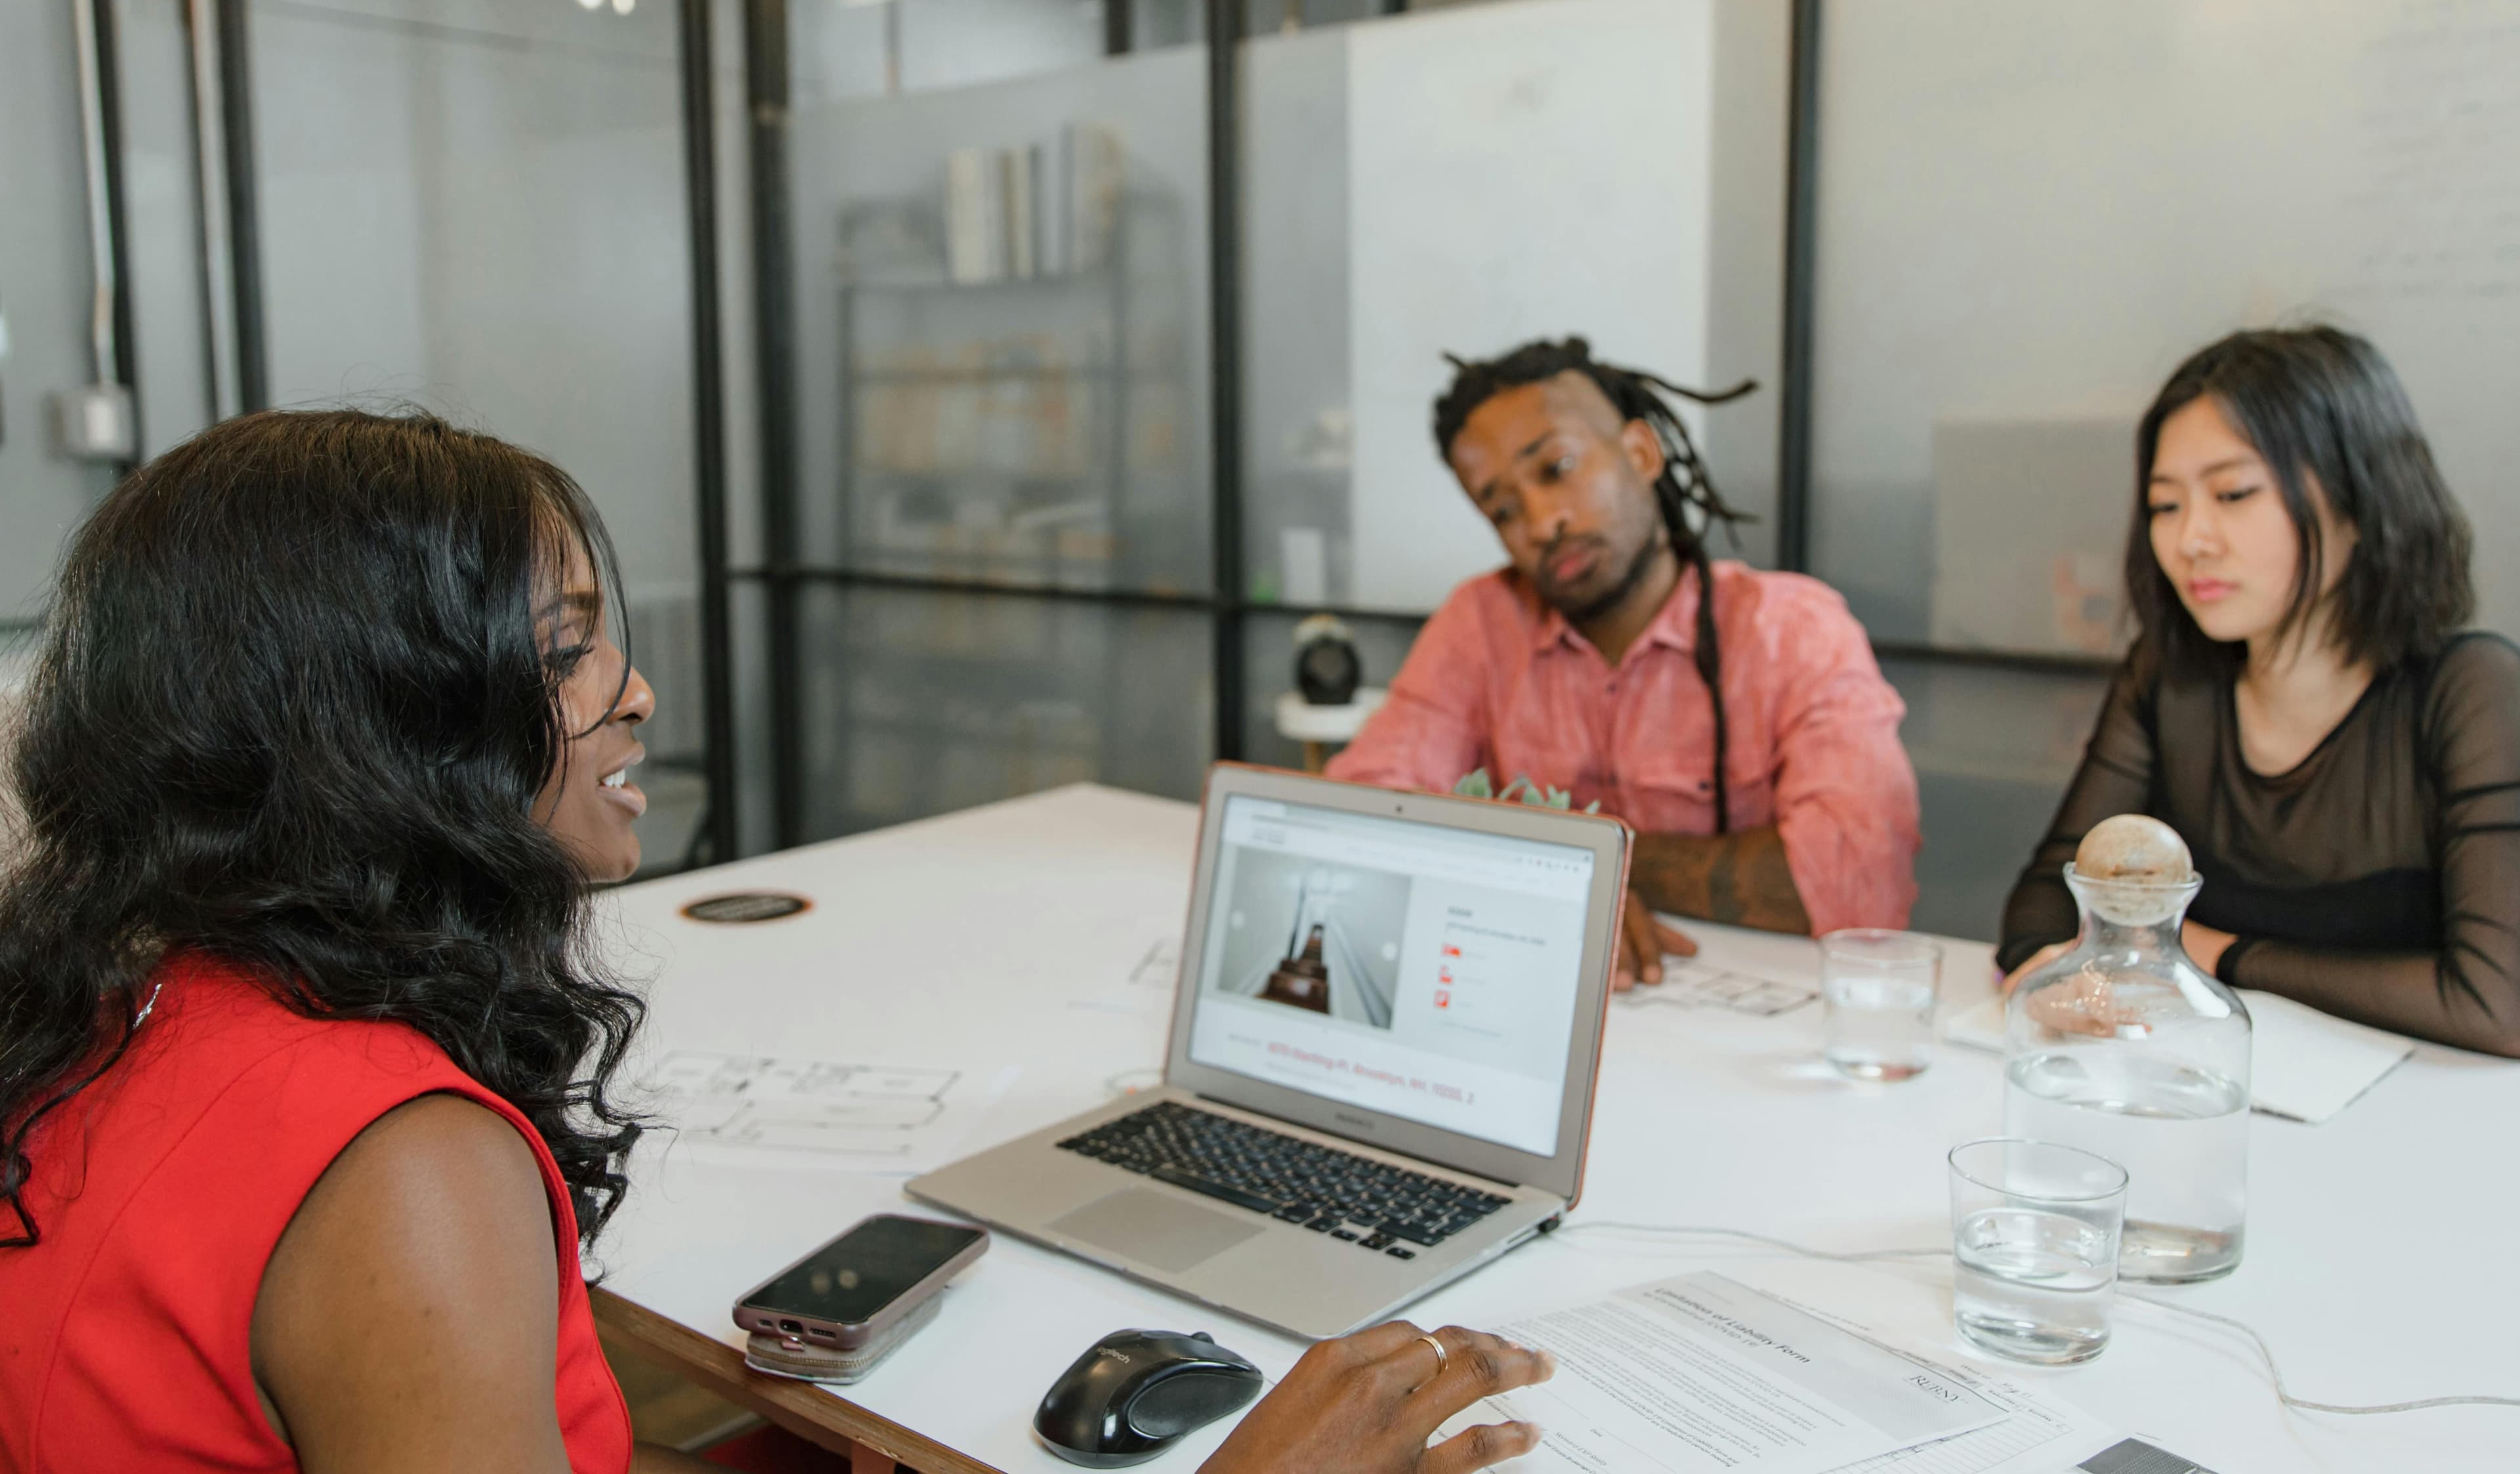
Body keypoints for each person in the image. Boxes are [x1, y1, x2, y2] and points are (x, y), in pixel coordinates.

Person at [0, 410, 1554, 1472]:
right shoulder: (389, 1160)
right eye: (560, 649)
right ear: (377, 730)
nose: (632, 690)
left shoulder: (121, 1005)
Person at [1327, 338, 1922, 987]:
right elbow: (1361, 815)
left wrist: (1566, 869)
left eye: (1556, 468)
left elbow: (1860, 882)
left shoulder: (1791, 628)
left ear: (1641, 453)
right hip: (1538, 996)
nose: (1541, 520)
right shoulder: (1481, 621)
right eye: (1500, 507)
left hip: (1751, 1018)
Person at [1998, 327, 2520, 1058]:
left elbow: (2499, 1002)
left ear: (2359, 499)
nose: (2191, 540)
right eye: (2165, 505)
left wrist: (2213, 954)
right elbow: (2046, 905)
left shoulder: (2471, 689)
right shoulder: (2171, 678)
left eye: (2234, 493)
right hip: (2202, 1089)